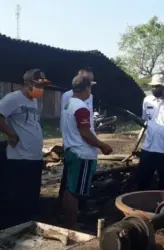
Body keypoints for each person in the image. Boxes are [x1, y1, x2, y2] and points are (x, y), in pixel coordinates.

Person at [0, 69, 51, 228]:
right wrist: (11, 134)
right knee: (16, 197)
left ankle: (28, 226)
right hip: (19, 157)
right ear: (29, 83)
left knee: (31, 196)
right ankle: (13, 229)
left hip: (34, 157)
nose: (41, 89)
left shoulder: (34, 101)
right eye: (39, 85)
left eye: (43, 85)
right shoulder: (13, 98)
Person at [60, 75, 113, 228]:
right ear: (86, 88)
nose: (91, 90)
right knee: (75, 192)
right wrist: (102, 145)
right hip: (82, 154)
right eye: (90, 87)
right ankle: (71, 226)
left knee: (70, 189)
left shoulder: (68, 104)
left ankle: (67, 222)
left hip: (71, 150)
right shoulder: (81, 107)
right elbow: (85, 132)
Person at [58, 67, 96, 212]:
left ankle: (71, 214)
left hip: (77, 145)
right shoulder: (73, 101)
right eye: (89, 83)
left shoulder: (75, 101)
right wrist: (101, 145)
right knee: (74, 187)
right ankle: (71, 221)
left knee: (73, 186)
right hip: (80, 148)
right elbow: (82, 130)